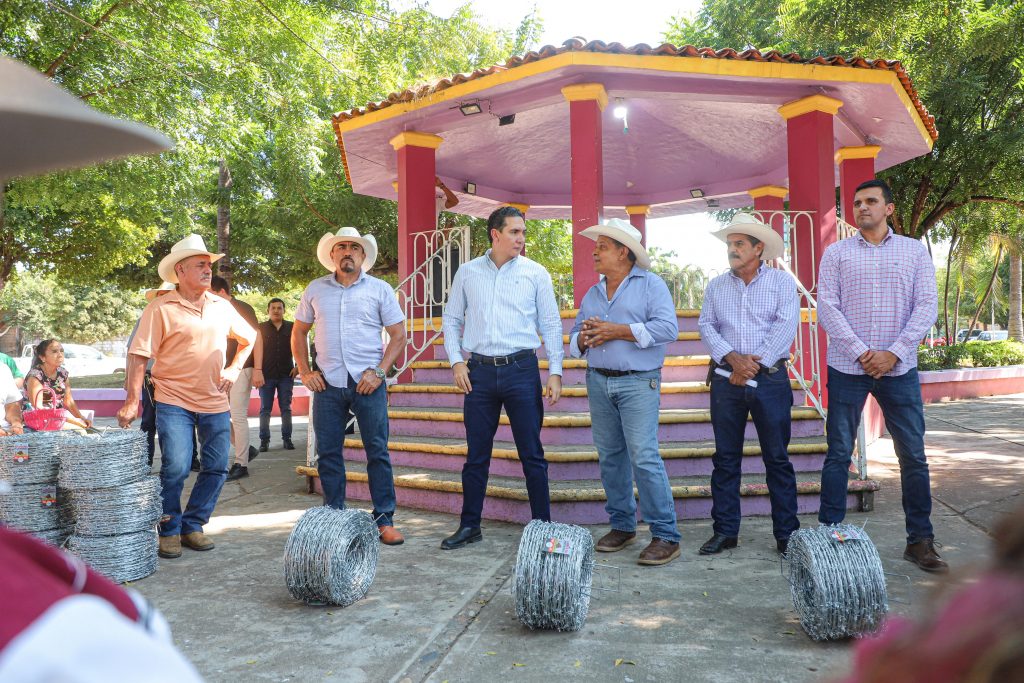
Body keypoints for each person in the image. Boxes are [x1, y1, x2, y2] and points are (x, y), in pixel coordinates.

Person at [817, 179, 946, 573]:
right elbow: (827, 306)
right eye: (856, 203)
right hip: (846, 367)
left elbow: (926, 306)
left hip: (900, 369)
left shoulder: (913, 252)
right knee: (839, 453)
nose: (862, 208)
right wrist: (862, 352)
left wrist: (893, 353)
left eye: (871, 201)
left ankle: (920, 541)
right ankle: (831, 537)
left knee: (913, 456)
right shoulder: (836, 253)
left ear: (889, 208)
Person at [116, 234, 257, 560]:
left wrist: (235, 369)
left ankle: (193, 524)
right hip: (172, 399)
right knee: (177, 467)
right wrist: (131, 400)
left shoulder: (222, 306)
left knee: (218, 466)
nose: (208, 270)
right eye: (201, 265)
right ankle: (168, 529)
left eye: (209, 265)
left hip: (214, 400)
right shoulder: (160, 307)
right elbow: (138, 355)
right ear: (180, 270)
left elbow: (250, 337)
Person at [440, 205, 563, 550]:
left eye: (523, 232)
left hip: (522, 371)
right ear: (495, 234)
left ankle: (542, 530)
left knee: (532, 454)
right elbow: (451, 320)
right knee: (476, 455)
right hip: (477, 373)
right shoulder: (466, 272)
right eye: (515, 232)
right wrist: (456, 362)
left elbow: (551, 324)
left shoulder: (536, 273)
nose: (521, 239)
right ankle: (470, 526)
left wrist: (555, 371)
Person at [570, 218, 681, 565]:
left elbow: (668, 328)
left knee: (644, 455)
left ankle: (665, 534)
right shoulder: (593, 292)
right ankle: (622, 525)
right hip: (598, 380)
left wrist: (618, 331)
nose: (595, 252)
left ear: (624, 252)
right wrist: (584, 339)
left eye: (602, 246)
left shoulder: (651, 285)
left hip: (638, 381)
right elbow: (574, 338)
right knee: (610, 456)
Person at [292, 227, 407, 546]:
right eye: (341, 247)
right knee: (328, 453)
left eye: (353, 248)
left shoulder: (380, 289)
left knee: (377, 451)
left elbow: (399, 336)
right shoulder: (315, 289)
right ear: (332, 254)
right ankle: (334, 517)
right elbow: (299, 332)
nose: (347, 252)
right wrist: (305, 370)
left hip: (368, 383)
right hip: (327, 383)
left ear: (362, 255)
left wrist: (381, 372)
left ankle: (384, 519)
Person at [697, 213, 801, 555]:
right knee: (725, 459)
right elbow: (707, 327)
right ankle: (726, 531)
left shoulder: (782, 283)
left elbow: (786, 326)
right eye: (730, 244)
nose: (732, 249)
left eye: (739, 243)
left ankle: (787, 535)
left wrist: (752, 365)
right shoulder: (716, 286)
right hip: (727, 383)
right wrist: (733, 359)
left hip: (769, 381)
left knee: (777, 459)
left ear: (759, 248)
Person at [210, 276, 262, 482]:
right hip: (221, 370)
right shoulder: (214, 309)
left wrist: (258, 368)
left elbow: (256, 338)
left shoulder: (241, 307)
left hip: (242, 369)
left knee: (237, 416)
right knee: (217, 413)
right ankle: (245, 448)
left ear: (221, 291)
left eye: (211, 293)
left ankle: (241, 464)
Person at [252, 298, 296, 453]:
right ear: (268, 311)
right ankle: (264, 441)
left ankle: (287, 439)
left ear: (284, 310)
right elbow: (254, 350)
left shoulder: (292, 327)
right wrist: (256, 372)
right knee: (265, 409)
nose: (276, 310)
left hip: (286, 374)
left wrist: (298, 367)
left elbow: (299, 347)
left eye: (279, 308)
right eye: (273, 308)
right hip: (266, 375)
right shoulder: (261, 328)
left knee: (286, 408)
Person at [24, 339, 92, 429]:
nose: (60, 355)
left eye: (62, 351)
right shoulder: (35, 376)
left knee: (88, 430)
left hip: (58, 419)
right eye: (54, 351)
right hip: (38, 420)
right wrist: (73, 421)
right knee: (79, 432)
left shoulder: (62, 373)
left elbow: (68, 401)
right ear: (42, 357)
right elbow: (39, 408)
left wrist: (81, 418)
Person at [0, 362, 25, 436]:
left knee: (26, 446)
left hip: (5, 433)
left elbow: (12, 404)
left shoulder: (3, 368)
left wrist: (16, 423)